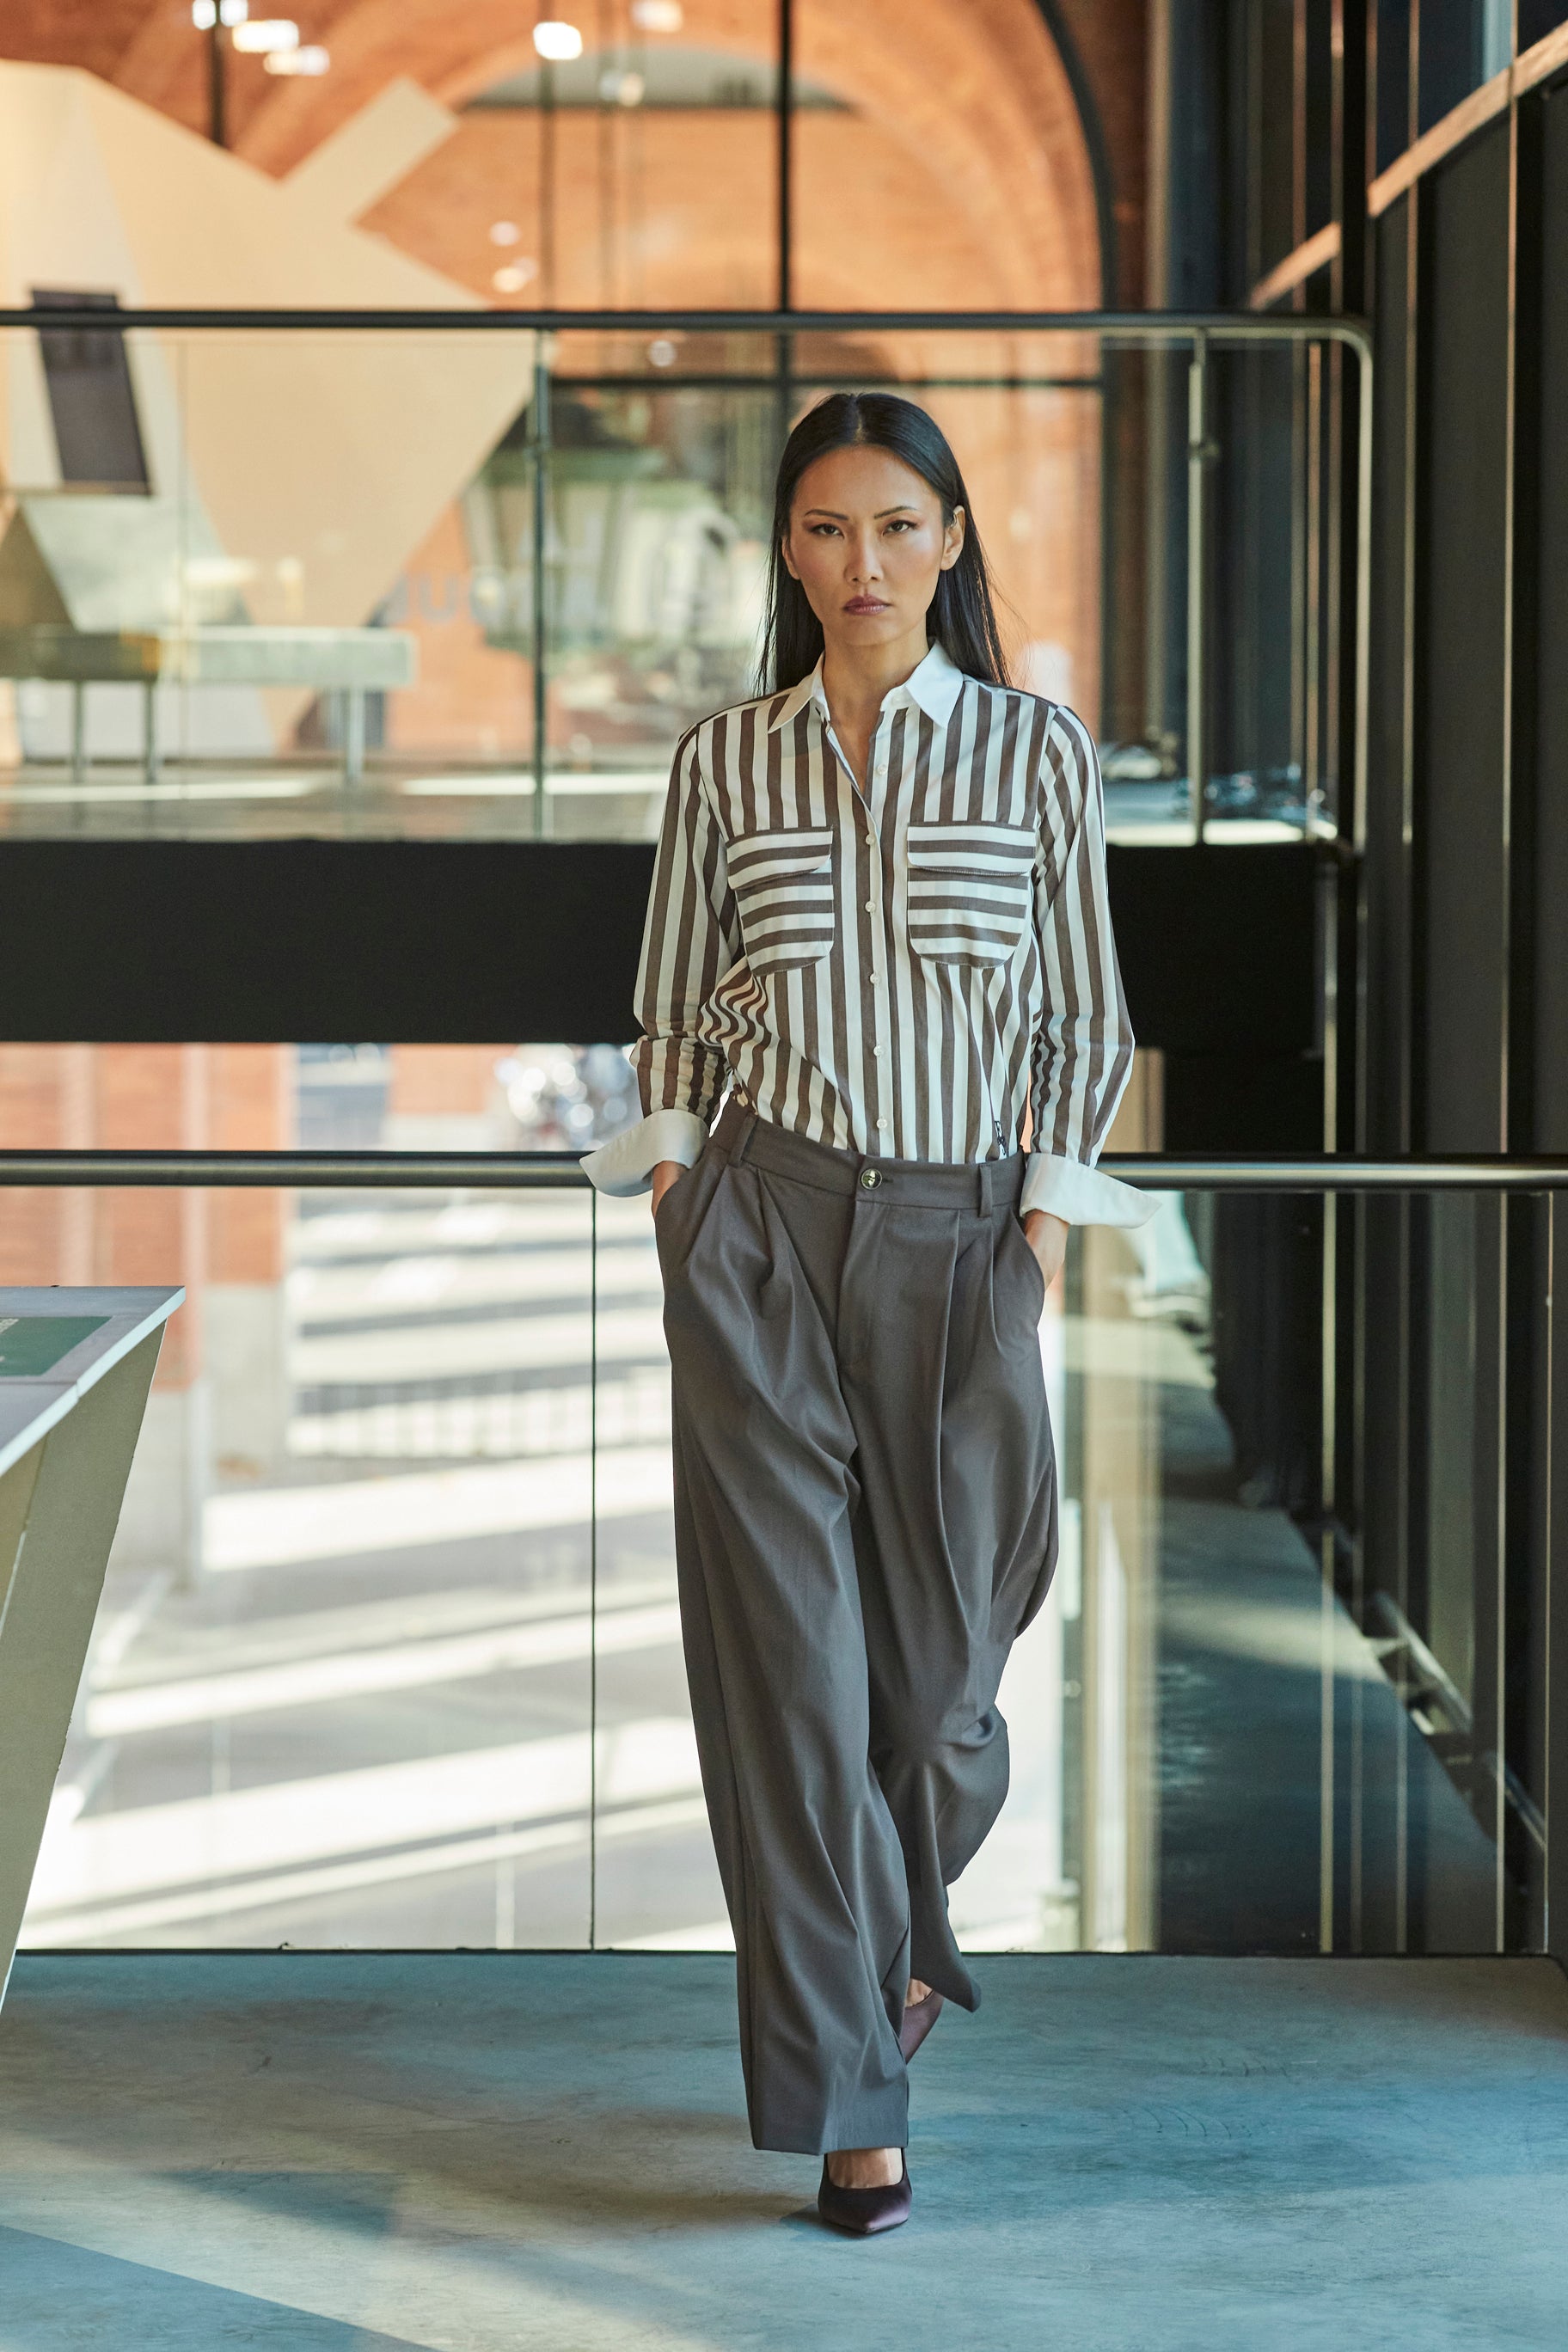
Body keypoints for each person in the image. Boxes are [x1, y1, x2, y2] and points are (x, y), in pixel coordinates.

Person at [584, 391, 1152, 2235]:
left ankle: (900, 1926)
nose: (864, 564)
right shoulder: (724, 759)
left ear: (952, 539)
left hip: (962, 1245)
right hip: (758, 1233)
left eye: (899, 526)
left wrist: (1034, 1247)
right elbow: (674, 1006)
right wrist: (684, 1203)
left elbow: (1084, 1023)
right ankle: (854, 2104)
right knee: (796, 1688)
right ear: (788, 549)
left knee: (939, 1700)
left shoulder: (1035, 753)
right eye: (828, 528)